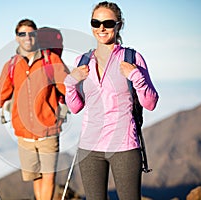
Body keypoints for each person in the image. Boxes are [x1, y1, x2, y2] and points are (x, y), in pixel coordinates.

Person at [0, 19, 69, 200]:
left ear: (36, 36)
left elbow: (68, 87)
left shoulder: (50, 60)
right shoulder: (11, 66)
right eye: (22, 34)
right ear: (16, 38)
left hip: (48, 130)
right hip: (24, 134)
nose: (27, 38)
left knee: (48, 177)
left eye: (31, 33)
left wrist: (89, 95)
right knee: (36, 177)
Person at [64, 1, 159, 200]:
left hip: (124, 146)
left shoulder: (132, 58)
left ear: (118, 25)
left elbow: (150, 103)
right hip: (89, 148)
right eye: (96, 22)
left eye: (108, 22)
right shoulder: (82, 62)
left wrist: (135, 76)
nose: (101, 28)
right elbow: (75, 107)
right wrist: (71, 83)